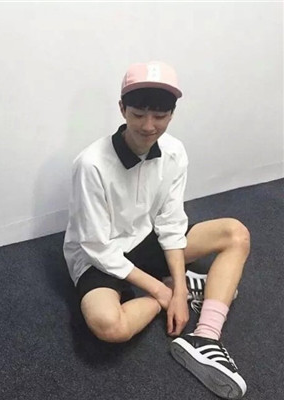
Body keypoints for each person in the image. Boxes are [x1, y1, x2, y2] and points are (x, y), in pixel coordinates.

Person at [63, 61, 250, 399]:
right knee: (108, 325)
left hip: (146, 240)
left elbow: (170, 221)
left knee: (235, 233)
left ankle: (206, 336)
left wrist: (178, 284)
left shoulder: (175, 151)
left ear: (171, 115)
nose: (148, 127)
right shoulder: (90, 164)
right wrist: (165, 294)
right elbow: (96, 246)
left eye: (160, 117)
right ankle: (176, 289)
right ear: (122, 109)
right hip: (98, 256)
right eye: (138, 115)